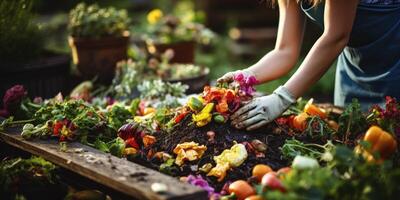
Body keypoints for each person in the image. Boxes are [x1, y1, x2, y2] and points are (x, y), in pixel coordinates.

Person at [218, 0, 400, 131]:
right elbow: (285, 51)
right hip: (355, 67)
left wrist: (282, 98)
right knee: (353, 140)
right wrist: (244, 76)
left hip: (394, 60)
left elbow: (336, 37)